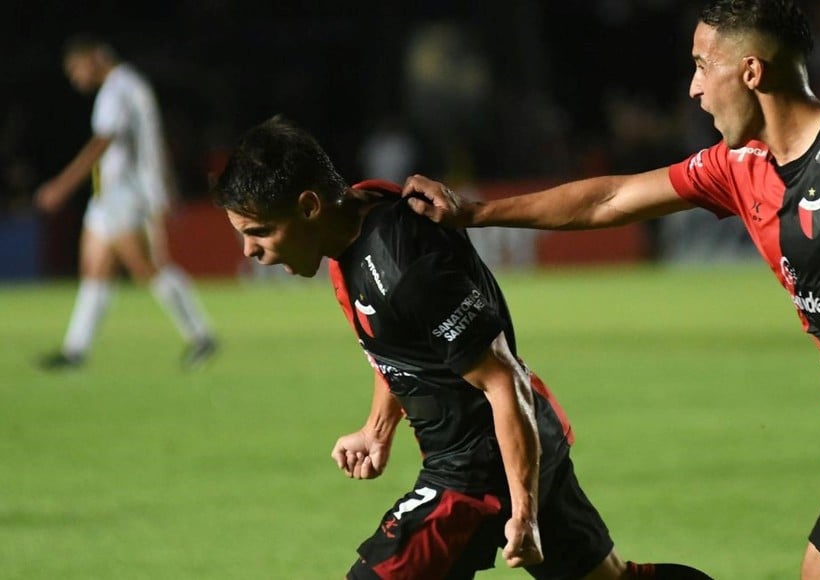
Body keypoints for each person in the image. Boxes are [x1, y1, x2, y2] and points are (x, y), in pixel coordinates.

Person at [401, 1, 820, 578]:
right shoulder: (740, 164)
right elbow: (609, 199)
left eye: (702, 66)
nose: (694, 88)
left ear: (751, 72)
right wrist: (474, 212)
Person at [212, 116, 712, 579]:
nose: (250, 252)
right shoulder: (355, 221)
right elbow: (401, 347)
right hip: (521, 439)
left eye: (259, 232)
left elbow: (502, 380)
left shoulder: (404, 266)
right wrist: (377, 428)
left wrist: (524, 511)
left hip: (477, 470)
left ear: (308, 207)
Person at [35, 35, 217, 370]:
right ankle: (75, 350)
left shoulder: (118, 88)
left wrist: (62, 185)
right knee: (94, 271)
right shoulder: (132, 85)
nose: (75, 78)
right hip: (109, 196)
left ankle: (201, 334)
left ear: (93, 58)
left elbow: (104, 140)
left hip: (124, 195)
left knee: (146, 269)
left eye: (76, 68)